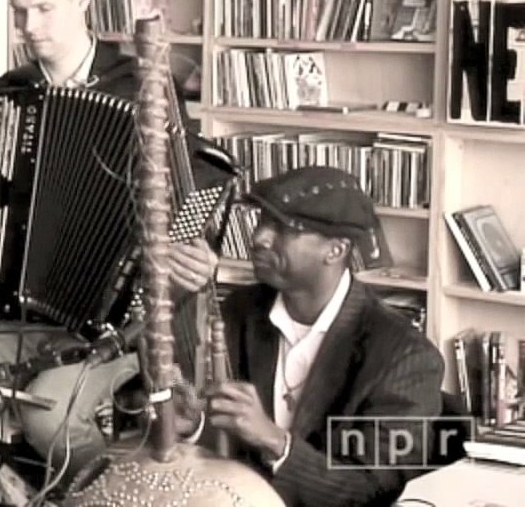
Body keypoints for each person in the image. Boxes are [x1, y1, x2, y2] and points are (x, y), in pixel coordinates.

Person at [0, 0, 223, 506]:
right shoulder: (7, 95)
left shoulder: (145, 87)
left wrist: (199, 251)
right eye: (19, 11)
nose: (30, 27)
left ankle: (134, 498)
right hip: (18, 317)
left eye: (44, 8)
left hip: (117, 327)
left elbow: (194, 192)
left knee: (52, 419)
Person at [174, 166, 445, 507]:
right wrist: (193, 425)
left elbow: (371, 487)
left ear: (336, 250)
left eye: (283, 228)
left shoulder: (404, 355)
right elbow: (224, 441)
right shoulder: (238, 311)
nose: (259, 238)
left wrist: (276, 442)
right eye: (262, 221)